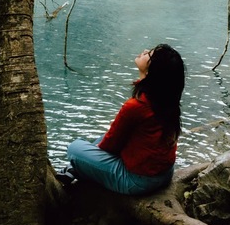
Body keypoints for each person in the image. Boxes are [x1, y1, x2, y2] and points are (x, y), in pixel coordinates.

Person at [58, 44, 185, 195]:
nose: (144, 51)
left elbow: (110, 145)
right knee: (103, 137)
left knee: (74, 149)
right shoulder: (166, 100)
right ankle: (74, 169)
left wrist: (88, 157)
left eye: (149, 54)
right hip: (164, 174)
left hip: (138, 182)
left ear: (151, 70)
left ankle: (74, 169)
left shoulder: (136, 106)